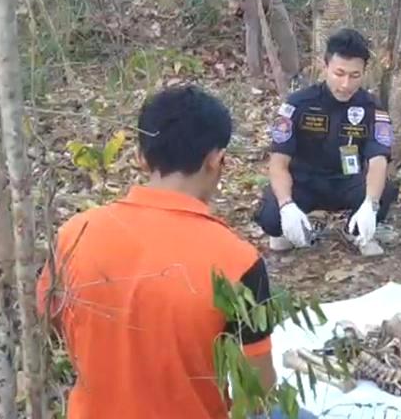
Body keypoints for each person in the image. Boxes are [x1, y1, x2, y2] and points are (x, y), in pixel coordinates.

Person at [37, 85, 318, 419]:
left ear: (141, 157)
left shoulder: (74, 233)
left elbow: (46, 319)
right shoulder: (237, 262)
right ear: (216, 160)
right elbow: (257, 392)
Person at [255, 28, 397, 256]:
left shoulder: (372, 108)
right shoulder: (298, 104)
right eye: (338, 73)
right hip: (304, 182)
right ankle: (294, 222)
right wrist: (286, 205)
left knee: (385, 190)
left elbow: (378, 159)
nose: (345, 84)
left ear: (364, 72)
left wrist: (370, 204)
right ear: (325, 67)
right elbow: (278, 162)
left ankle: (356, 228)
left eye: (354, 76)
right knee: (272, 219)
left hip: (347, 180)